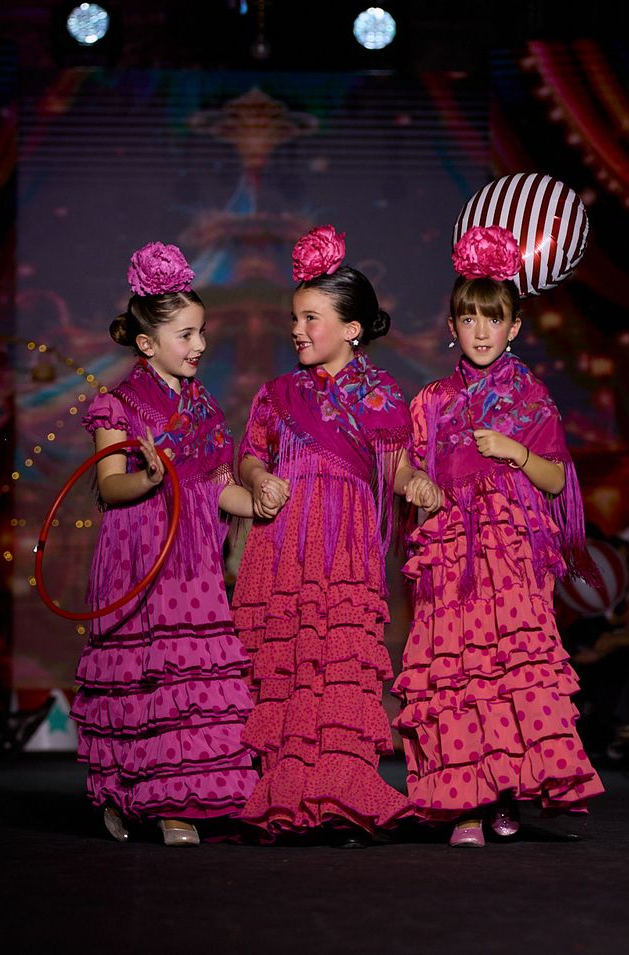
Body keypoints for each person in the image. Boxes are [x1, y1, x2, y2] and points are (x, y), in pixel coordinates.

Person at [393, 226, 605, 847]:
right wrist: (412, 482)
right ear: (452, 326)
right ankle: (465, 806)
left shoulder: (534, 401)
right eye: (468, 318)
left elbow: (557, 480)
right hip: (450, 557)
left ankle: (507, 791)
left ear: (515, 327)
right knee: (457, 675)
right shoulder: (431, 400)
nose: (481, 331)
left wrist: (515, 452)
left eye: (494, 319)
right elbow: (405, 463)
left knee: (509, 676)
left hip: (512, 560)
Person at [73, 242, 259, 847]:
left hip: (192, 559)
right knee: (140, 679)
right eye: (186, 334)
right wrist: (149, 477)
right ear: (147, 343)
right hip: (138, 553)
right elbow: (109, 486)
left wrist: (261, 502)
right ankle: (135, 801)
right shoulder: (118, 404)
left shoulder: (202, 405)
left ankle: (184, 799)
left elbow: (216, 487)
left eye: (201, 332)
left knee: (191, 682)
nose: (199, 345)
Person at [231, 227, 411, 841]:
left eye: (312, 317)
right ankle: (284, 797)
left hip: (343, 548)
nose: (298, 329)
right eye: (294, 317)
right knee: (285, 669)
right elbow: (248, 455)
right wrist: (258, 480)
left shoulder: (383, 395)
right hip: (283, 546)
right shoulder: (278, 394)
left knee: (337, 667)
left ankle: (340, 796)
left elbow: (398, 462)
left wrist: (418, 483)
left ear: (352, 328)